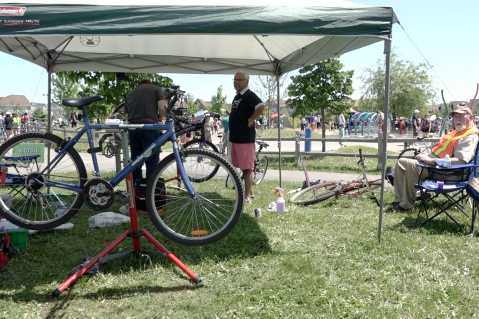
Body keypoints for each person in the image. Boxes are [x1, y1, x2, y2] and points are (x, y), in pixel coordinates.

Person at [391, 103, 478, 211]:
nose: (457, 119)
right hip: (436, 168)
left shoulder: (470, 136)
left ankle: (406, 205)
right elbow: (439, 149)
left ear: (471, 118)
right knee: (401, 162)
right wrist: (425, 155)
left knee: (407, 165)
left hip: (446, 173)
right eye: (455, 116)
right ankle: (401, 200)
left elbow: (460, 162)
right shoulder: (456, 133)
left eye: (461, 116)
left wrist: (431, 161)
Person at [229, 71, 265, 203]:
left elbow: (261, 106)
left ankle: (247, 197)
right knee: (242, 168)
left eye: (239, 79)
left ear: (246, 81)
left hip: (245, 139)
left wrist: (251, 119)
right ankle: (250, 192)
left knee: (247, 169)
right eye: (235, 79)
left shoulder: (249, 95)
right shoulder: (238, 96)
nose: (236, 82)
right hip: (236, 138)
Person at [125, 79, 169, 185]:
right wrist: (161, 119)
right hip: (149, 128)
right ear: (150, 83)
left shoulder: (131, 93)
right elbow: (162, 107)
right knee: (152, 160)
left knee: (136, 160)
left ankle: (137, 188)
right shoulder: (156, 89)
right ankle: (151, 189)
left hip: (133, 128)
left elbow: (126, 113)